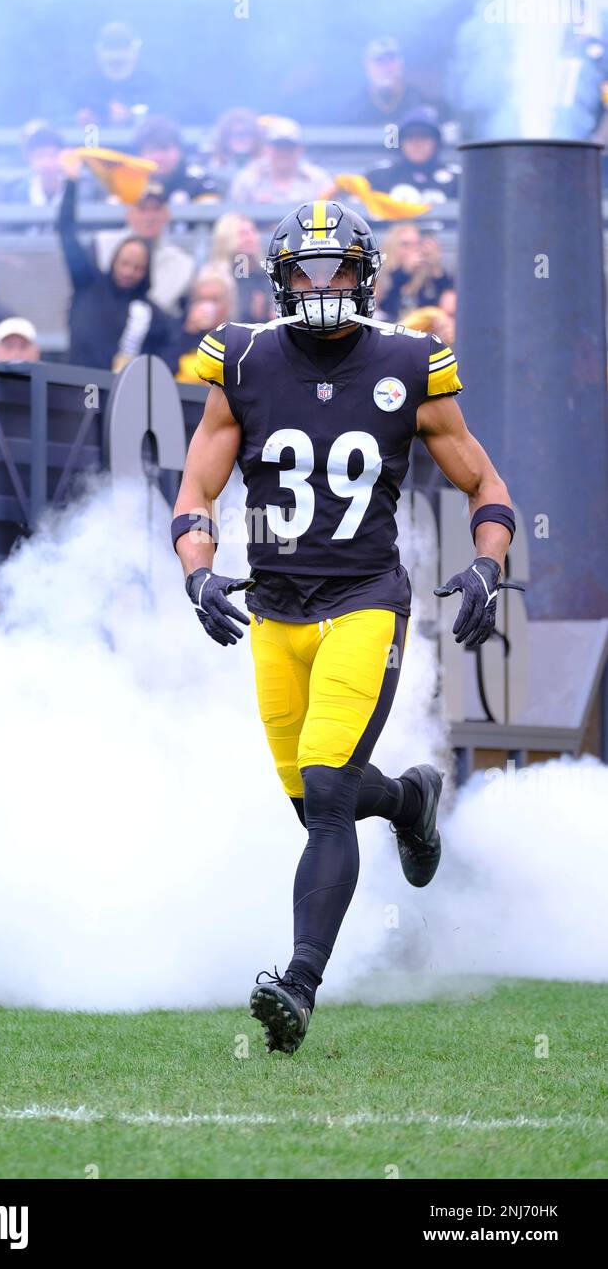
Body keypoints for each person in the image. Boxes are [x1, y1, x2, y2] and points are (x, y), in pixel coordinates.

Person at [172, 199, 520, 1054]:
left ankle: (297, 987)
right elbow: (195, 494)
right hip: (274, 607)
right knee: (309, 802)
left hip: (364, 599)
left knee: (327, 792)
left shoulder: (408, 360)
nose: (322, 286)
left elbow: (486, 484)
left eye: (336, 271)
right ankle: (408, 800)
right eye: (305, 271)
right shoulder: (245, 357)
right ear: (280, 278)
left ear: (365, 275)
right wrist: (197, 573)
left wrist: (488, 564)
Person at [57, 158, 173, 370]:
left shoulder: (153, 314)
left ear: (146, 273)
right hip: (73, 390)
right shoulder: (87, 284)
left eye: (138, 267)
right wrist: (72, 182)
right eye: (125, 263)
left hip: (124, 398)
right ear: (114, 262)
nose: (130, 272)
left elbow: (168, 358)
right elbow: (66, 232)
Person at [94, 181, 196, 316]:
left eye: (156, 209)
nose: (150, 217)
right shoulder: (102, 245)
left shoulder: (183, 264)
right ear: (129, 213)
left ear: (167, 215)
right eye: (142, 209)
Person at [366, 107, 461, 205]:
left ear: (437, 142)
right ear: (400, 142)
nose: (417, 143)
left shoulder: (458, 179)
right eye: (409, 137)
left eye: (424, 136)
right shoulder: (379, 176)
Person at [229, 117, 331, 206]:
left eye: (289, 146)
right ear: (267, 148)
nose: (283, 152)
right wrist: (254, 210)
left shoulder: (318, 179)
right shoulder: (247, 180)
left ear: (300, 149)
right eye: (278, 146)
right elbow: (233, 218)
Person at [169, 263, 237, 382]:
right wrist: (188, 333)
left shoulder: (237, 340)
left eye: (214, 300)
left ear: (228, 304)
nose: (206, 306)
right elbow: (167, 369)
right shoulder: (177, 331)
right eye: (201, 299)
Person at [376, 224, 454, 322]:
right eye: (406, 244)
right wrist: (404, 272)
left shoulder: (427, 280)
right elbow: (383, 306)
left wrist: (436, 268)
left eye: (417, 244)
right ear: (393, 247)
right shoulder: (382, 275)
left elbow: (443, 306)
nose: (413, 249)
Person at [134, 115, 220, 203]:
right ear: (140, 154)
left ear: (179, 150)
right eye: (151, 150)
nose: (158, 157)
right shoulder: (130, 181)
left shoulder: (199, 181)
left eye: (164, 149)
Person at [209, 213, 271, 324]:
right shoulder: (214, 278)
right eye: (242, 234)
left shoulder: (267, 273)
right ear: (226, 239)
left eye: (252, 231)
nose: (250, 238)